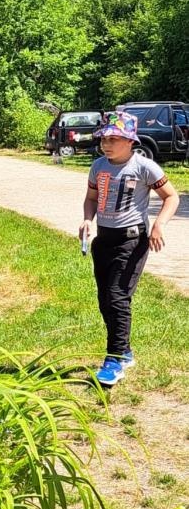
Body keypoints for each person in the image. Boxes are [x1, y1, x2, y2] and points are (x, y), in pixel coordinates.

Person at [78, 113, 179, 386]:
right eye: (104, 139)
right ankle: (124, 350)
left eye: (113, 139)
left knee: (117, 296)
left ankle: (113, 361)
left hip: (132, 241)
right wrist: (88, 220)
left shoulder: (145, 167)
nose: (106, 144)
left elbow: (172, 196)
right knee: (105, 301)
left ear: (130, 141)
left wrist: (159, 224)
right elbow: (91, 198)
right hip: (104, 240)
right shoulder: (98, 166)